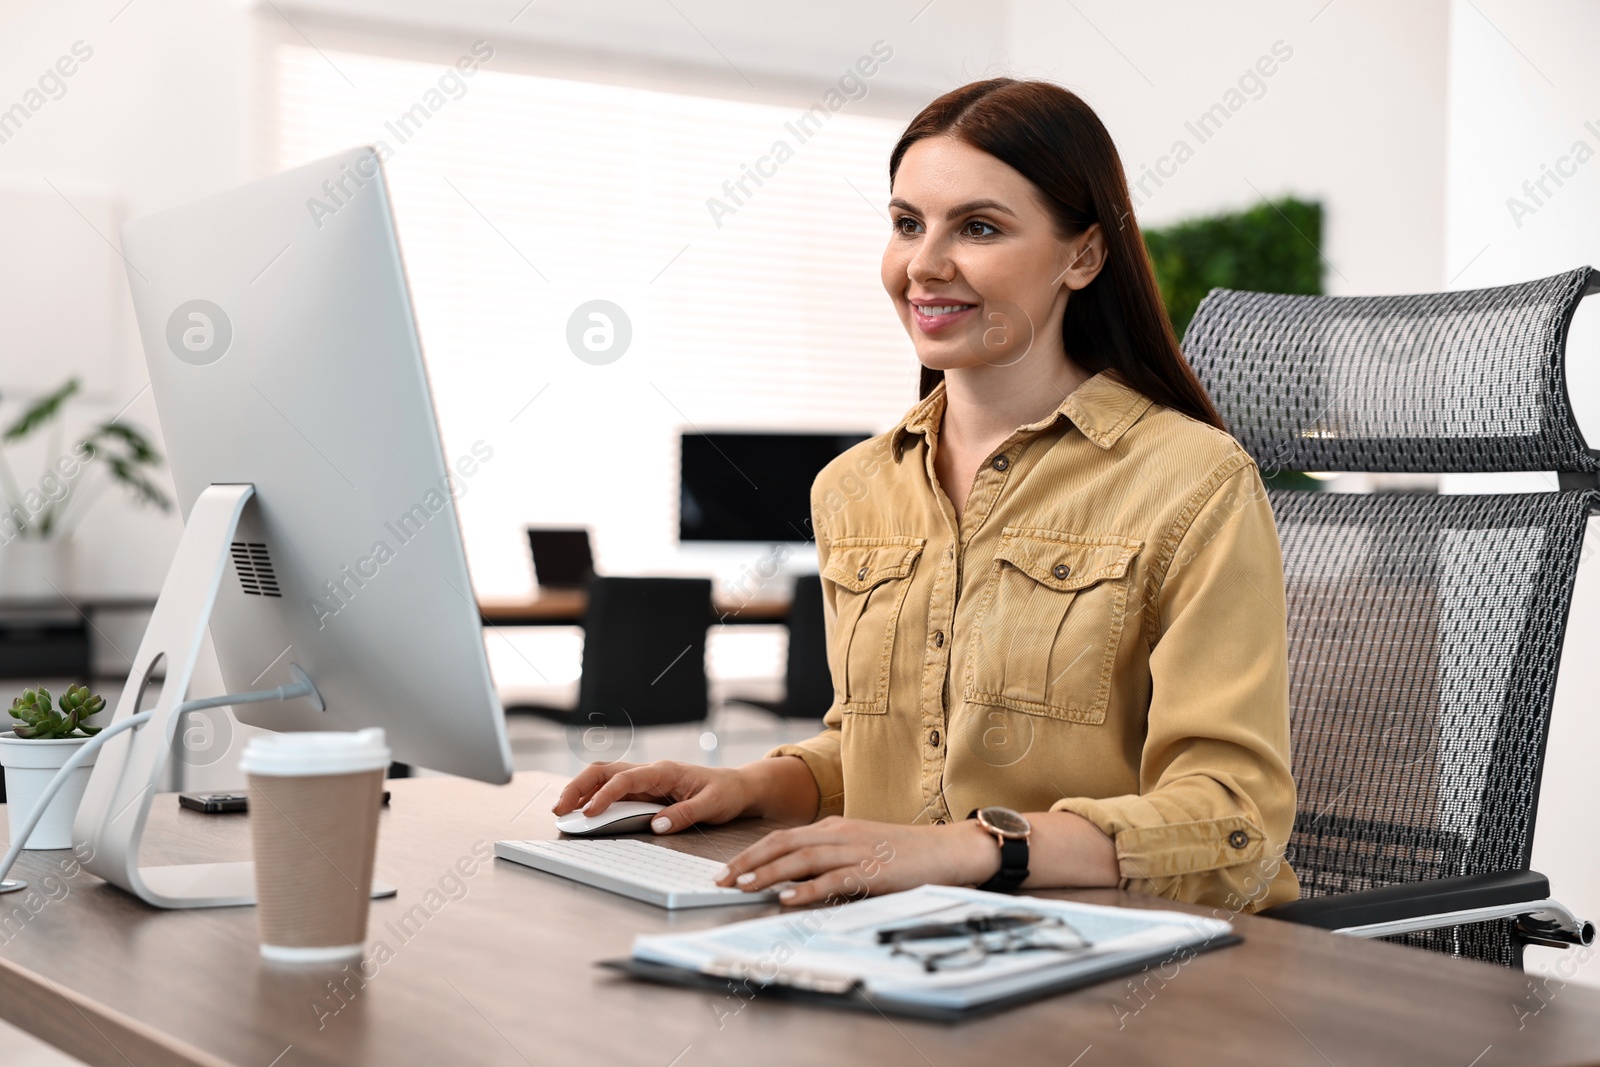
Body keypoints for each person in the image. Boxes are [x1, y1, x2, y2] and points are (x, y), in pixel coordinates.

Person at [554, 78, 1299, 913]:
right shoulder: (855, 487)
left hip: (1125, 959)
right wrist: (753, 785)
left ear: (1083, 256)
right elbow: (882, 755)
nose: (923, 264)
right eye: (908, 223)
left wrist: (971, 851)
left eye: (978, 227)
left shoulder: (1194, 482)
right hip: (905, 938)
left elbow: (1237, 820)